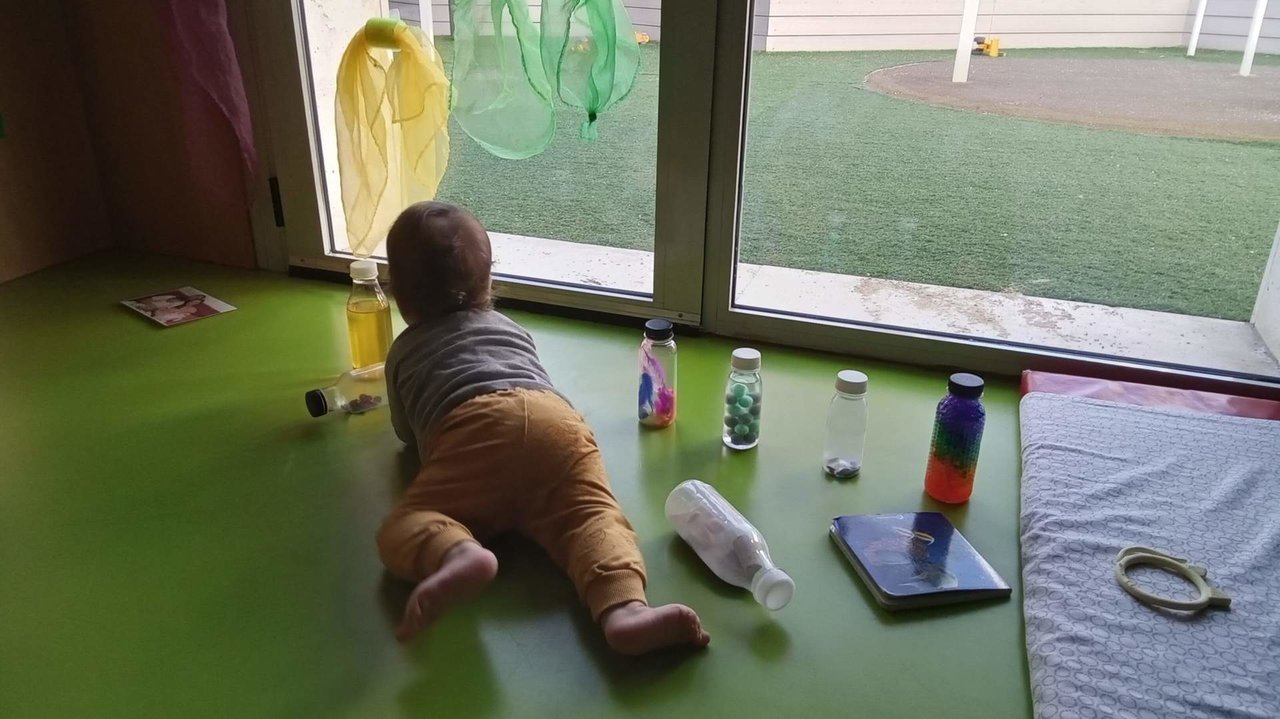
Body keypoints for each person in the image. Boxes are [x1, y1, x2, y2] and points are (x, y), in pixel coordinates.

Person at [377, 201, 710, 655]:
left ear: (397, 292)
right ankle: (624, 610)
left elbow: (405, 434)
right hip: (554, 422)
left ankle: (459, 552)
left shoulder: (402, 352)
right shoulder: (511, 328)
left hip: (468, 427)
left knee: (406, 525)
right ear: (489, 281)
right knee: (591, 517)